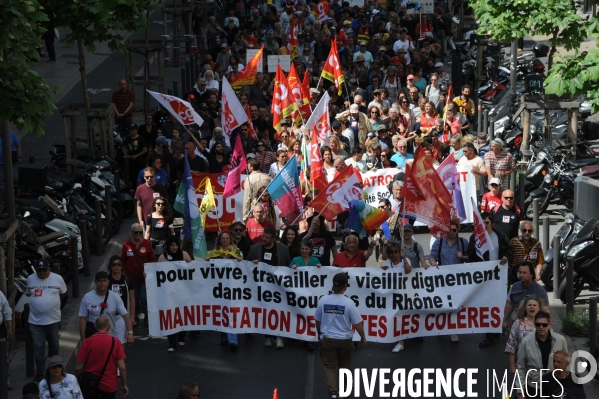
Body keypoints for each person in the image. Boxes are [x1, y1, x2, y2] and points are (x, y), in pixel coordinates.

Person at [315, 272, 367, 399]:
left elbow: (318, 320)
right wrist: (363, 337)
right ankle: (344, 393)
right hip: (345, 341)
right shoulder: (349, 303)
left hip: (328, 340)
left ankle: (333, 393)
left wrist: (319, 334)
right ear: (345, 286)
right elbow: (358, 324)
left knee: (329, 367)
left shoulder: (323, 300)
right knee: (345, 367)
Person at [247, 228, 291, 349]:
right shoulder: (254, 249)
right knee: (266, 311)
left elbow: (288, 266)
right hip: (262, 287)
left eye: (266, 237)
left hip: (278, 286)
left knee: (279, 311)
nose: (263, 239)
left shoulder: (283, 249)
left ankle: (279, 336)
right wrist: (252, 263)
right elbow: (246, 265)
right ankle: (268, 336)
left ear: (273, 239)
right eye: (263, 236)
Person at [26, 259, 68, 383]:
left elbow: (64, 293)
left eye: (44, 269)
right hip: (35, 321)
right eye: (39, 270)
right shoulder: (30, 279)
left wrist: (54, 305)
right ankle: (40, 372)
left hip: (53, 320)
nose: (42, 272)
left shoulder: (58, 278)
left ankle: (53, 369)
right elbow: (29, 294)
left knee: (54, 346)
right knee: (38, 347)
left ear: (49, 268)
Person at [75, 316, 129, 399]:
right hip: (109, 385)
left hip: (90, 383)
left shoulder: (88, 342)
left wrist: (76, 381)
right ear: (109, 326)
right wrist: (123, 384)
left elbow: (79, 366)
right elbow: (122, 367)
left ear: (95, 326)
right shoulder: (116, 342)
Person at [517, 311, 567, 398]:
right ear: (534, 324)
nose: (541, 327)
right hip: (534, 387)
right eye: (538, 324)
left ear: (550, 325)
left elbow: (566, 363)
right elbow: (521, 367)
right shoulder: (526, 341)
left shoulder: (560, 340)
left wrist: (567, 384)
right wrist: (520, 391)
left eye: (544, 325)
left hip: (555, 386)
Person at [79, 271, 134, 345]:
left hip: (110, 338)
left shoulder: (115, 297)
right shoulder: (87, 297)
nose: (102, 284)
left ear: (108, 282)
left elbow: (125, 315)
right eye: (99, 281)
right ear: (95, 282)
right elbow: (83, 318)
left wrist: (130, 332)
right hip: (93, 337)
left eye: (104, 280)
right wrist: (83, 339)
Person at [157, 236, 192, 351]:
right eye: (171, 245)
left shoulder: (184, 255)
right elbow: (157, 274)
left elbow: (193, 271)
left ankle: (181, 336)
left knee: (183, 315)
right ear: (167, 246)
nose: (174, 247)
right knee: (171, 316)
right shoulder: (162, 258)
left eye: (176, 245)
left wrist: (189, 264)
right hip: (169, 293)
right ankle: (172, 343)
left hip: (183, 292)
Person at [120, 223, 156, 327]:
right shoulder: (126, 244)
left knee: (144, 297)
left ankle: (147, 317)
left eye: (141, 232)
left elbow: (152, 259)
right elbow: (122, 259)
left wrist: (149, 273)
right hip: (130, 278)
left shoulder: (147, 243)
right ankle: (134, 317)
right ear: (132, 233)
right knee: (133, 298)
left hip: (144, 278)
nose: (139, 234)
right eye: (136, 232)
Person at [381, 241, 413, 353]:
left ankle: (408, 336)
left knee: (405, 317)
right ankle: (400, 342)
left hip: (406, 294)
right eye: (392, 252)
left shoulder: (405, 261)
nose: (394, 254)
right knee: (396, 317)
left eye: (396, 251)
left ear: (400, 252)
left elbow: (408, 271)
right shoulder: (387, 262)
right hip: (392, 296)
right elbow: (380, 274)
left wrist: (404, 259)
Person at [503, 262, 550, 330]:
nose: (521, 275)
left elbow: (546, 309)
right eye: (520, 272)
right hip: (517, 323)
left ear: (531, 274)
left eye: (524, 273)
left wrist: (547, 326)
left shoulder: (540, 290)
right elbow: (509, 304)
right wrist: (505, 320)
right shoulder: (514, 287)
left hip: (534, 325)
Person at [504, 296, 543, 372]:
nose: (532, 307)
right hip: (521, 366)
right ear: (525, 307)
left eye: (534, 305)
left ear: (539, 308)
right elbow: (510, 346)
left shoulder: (544, 324)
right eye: (529, 305)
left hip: (540, 367)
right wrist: (512, 366)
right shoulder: (518, 323)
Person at [106, 255, 135, 331]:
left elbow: (132, 299)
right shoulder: (106, 280)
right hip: (109, 315)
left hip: (123, 316)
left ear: (122, 267)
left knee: (121, 341)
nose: (117, 266)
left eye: (119, 264)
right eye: (114, 264)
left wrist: (132, 316)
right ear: (110, 267)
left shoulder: (127, 280)